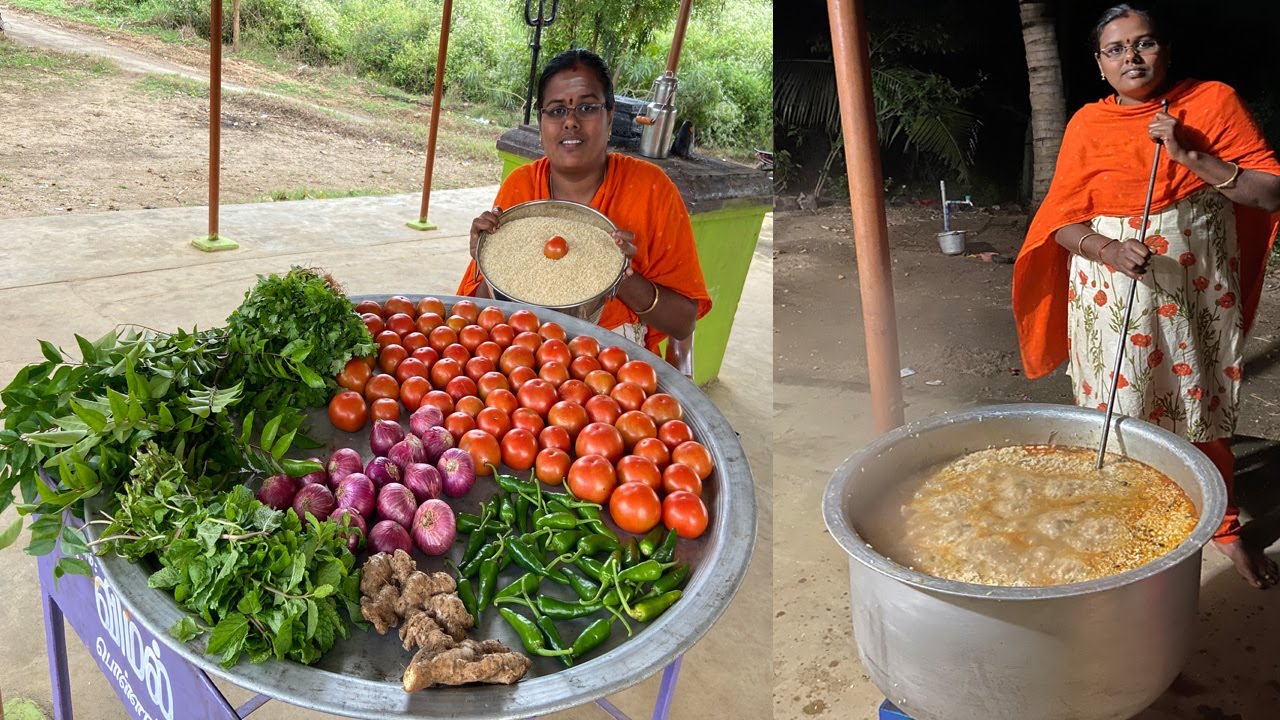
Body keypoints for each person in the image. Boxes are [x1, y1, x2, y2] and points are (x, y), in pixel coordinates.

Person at [1013, 4, 1280, 588]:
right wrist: (1107, 249)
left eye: (1145, 43)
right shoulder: (1088, 124)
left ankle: (1223, 526)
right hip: (1111, 298)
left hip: (1199, 299)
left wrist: (1191, 155)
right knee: (1118, 410)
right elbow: (1059, 222)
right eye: (1116, 49)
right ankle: (1121, 515)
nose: (1131, 57)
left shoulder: (1211, 103)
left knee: (1201, 407)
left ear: (1165, 50)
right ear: (1099, 63)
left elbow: (1269, 193)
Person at [457, 49, 711, 357]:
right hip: (520, 353)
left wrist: (620, 277)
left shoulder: (651, 189)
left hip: (614, 362)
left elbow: (682, 324)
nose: (571, 121)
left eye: (587, 107)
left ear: (610, 117)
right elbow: (482, 311)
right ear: (541, 123)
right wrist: (486, 258)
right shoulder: (522, 186)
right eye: (556, 111)